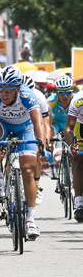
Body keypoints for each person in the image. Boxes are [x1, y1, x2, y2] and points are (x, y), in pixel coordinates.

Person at [0, 65, 44, 239]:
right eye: (1, 90)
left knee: (27, 170)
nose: (4, 94)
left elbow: (38, 123)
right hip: (2, 126)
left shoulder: (27, 95)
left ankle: (31, 220)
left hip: (24, 128)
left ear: (17, 88)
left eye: (8, 91)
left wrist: (41, 145)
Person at [22, 75, 51, 205]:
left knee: (38, 154)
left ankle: (37, 184)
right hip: (20, 123)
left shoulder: (39, 98)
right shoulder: (14, 96)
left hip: (35, 124)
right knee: (12, 151)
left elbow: (45, 124)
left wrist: (45, 144)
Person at [65, 89, 83, 222]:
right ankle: (79, 202)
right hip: (81, 126)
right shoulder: (78, 101)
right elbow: (68, 129)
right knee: (79, 159)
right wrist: (72, 145)